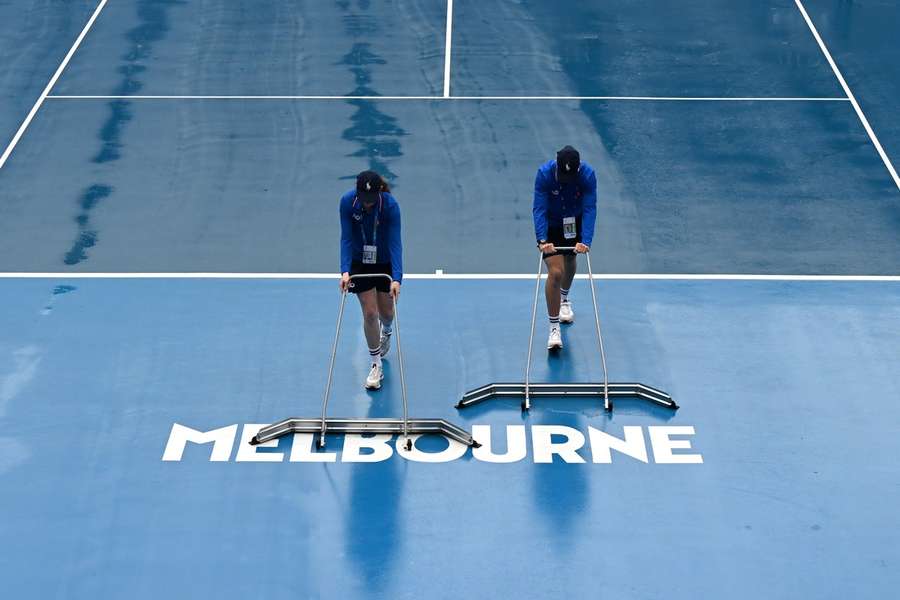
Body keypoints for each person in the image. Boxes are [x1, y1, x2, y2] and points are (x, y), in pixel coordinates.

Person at [339, 170, 403, 389]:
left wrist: (396, 279)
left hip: (384, 260)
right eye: (364, 200)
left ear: (380, 193)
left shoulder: (390, 206)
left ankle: (387, 331)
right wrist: (345, 271)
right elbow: (346, 238)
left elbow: (396, 243)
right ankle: (376, 365)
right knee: (369, 312)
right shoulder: (347, 202)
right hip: (360, 260)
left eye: (371, 200)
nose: (367, 205)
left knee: (386, 313)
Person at [532, 145, 597, 351]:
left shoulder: (587, 175)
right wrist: (542, 239)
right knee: (556, 271)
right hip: (551, 225)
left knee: (570, 260)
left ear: (578, 170)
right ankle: (553, 328)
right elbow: (539, 208)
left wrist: (586, 240)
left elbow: (589, 208)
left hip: (573, 222)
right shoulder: (544, 174)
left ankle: (564, 298)